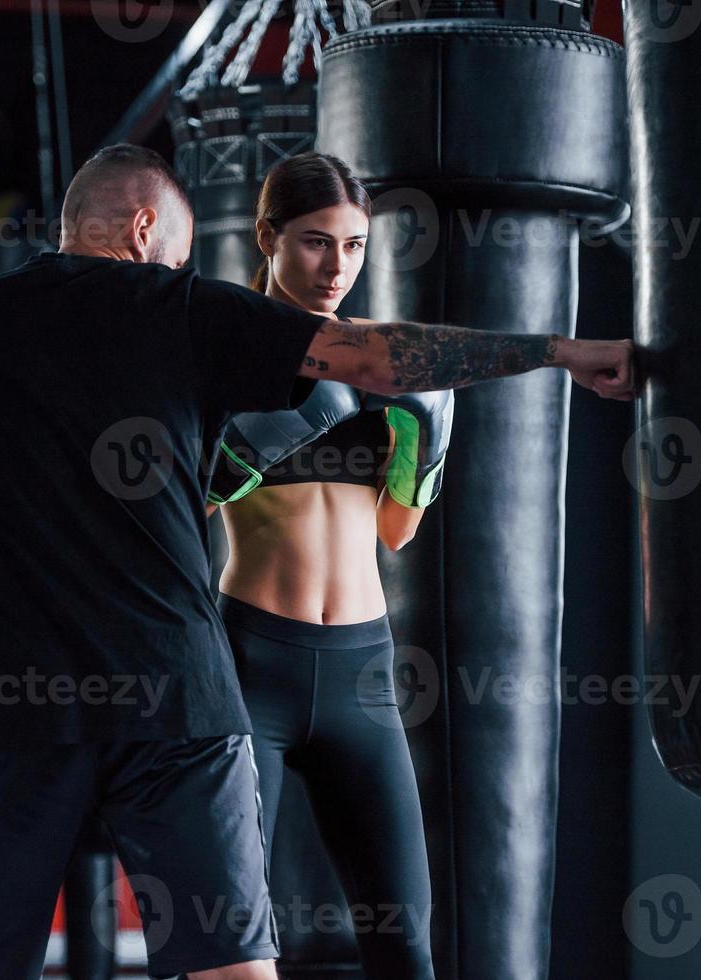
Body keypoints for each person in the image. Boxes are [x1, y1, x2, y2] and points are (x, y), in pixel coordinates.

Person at [0, 142, 635, 980]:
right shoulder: (184, 313)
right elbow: (374, 354)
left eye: (353, 245)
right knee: (236, 970)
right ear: (146, 229)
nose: (179, 275)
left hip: (18, 693)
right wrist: (558, 351)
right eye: (177, 261)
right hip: (180, 693)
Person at [200, 152, 443, 977]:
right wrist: (243, 449)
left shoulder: (378, 364)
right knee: (232, 941)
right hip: (251, 663)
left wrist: (425, 446)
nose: (336, 266)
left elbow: (395, 532)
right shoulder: (222, 355)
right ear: (267, 237)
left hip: (363, 674)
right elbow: (166, 510)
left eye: (353, 245)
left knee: (404, 942)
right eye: (314, 243)